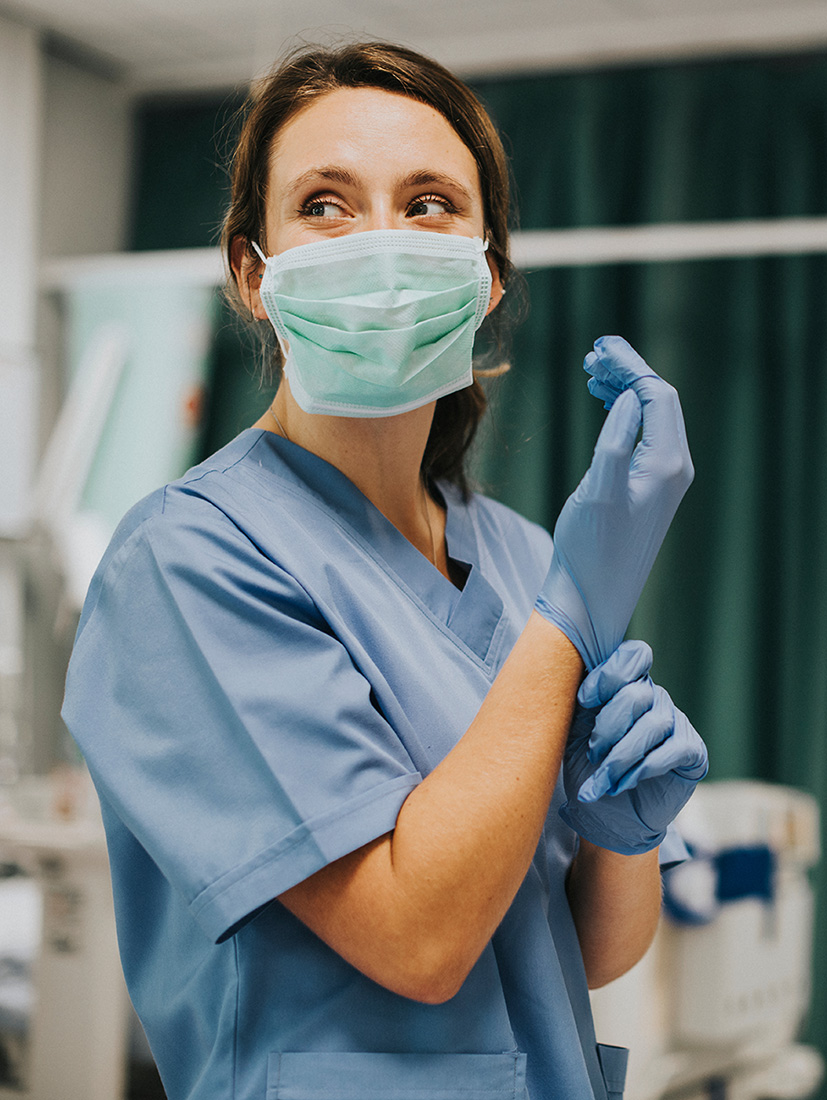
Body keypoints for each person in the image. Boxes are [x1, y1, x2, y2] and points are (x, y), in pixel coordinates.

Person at [61, 41, 707, 1100]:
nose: (379, 243)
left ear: (486, 273)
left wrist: (620, 833)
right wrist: (568, 621)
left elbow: (575, 954)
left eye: (428, 203)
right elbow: (418, 938)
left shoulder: (519, 556)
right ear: (250, 273)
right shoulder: (186, 561)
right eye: (323, 203)